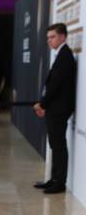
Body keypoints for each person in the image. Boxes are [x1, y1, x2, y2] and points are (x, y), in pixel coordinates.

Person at [33, 23, 76, 194]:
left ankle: (59, 182)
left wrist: (42, 103)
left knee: (58, 146)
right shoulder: (61, 54)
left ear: (63, 37)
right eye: (48, 38)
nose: (49, 41)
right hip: (55, 108)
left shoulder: (65, 55)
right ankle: (54, 179)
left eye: (53, 37)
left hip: (59, 109)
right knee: (55, 145)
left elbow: (55, 86)